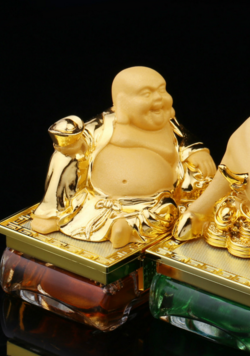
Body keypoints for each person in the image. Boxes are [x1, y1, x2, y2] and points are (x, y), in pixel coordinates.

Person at [31, 66, 216, 248]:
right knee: (65, 156)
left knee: (169, 210)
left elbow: (186, 140)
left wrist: (196, 151)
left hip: (154, 203)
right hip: (95, 200)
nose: (159, 98)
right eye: (147, 94)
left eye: (162, 90)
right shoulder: (106, 123)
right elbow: (85, 138)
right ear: (121, 103)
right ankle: (53, 213)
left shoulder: (168, 123)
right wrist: (71, 142)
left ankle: (126, 228)